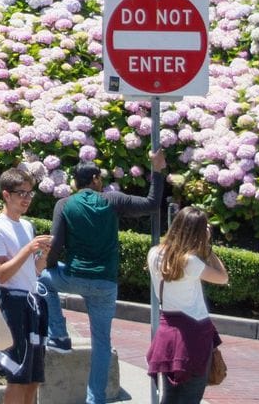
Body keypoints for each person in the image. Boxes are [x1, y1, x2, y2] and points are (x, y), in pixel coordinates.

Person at [41, 152, 167, 404]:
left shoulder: (64, 205)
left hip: (73, 276)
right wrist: (157, 170)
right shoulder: (113, 200)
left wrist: (52, 267)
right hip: (105, 284)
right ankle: (95, 400)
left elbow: (54, 247)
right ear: (96, 179)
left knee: (40, 279)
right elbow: (153, 203)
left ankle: (59, 335)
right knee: (101, 343)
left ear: (76, 183)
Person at [145, 208, 229, 404]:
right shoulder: (190, 262)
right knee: (191, 398)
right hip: (194, 337)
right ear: (198, 233)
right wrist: (207, 246)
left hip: (168, 333)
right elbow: (223, 277)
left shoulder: (154, 253)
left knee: (170, 398)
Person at [0, 169, 52, 404]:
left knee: (34, 377)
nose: (26, 198)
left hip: (32, 301)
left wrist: (42, 256)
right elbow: (0, 275)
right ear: (6, 195)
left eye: (29, 193)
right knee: (18, 375)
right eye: (20, 193)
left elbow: (32, 271)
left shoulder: (27, 225)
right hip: (12, 303)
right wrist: (28, 250)